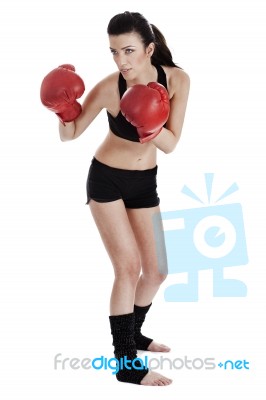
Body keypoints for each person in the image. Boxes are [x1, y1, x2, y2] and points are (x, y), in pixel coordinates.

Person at [40, 11, 190, 386]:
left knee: (156, 272)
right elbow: (71, 134)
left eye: (128, 51)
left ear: (149, 49)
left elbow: (171, 145)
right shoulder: (111, 87)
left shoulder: (177, 80)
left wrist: (149, 123)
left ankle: (133, 334)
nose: (121, 61)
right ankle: (125, 362)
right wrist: (62, 110)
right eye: (113, 52)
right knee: (127, 268)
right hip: (106, 180)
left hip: (145, 182)